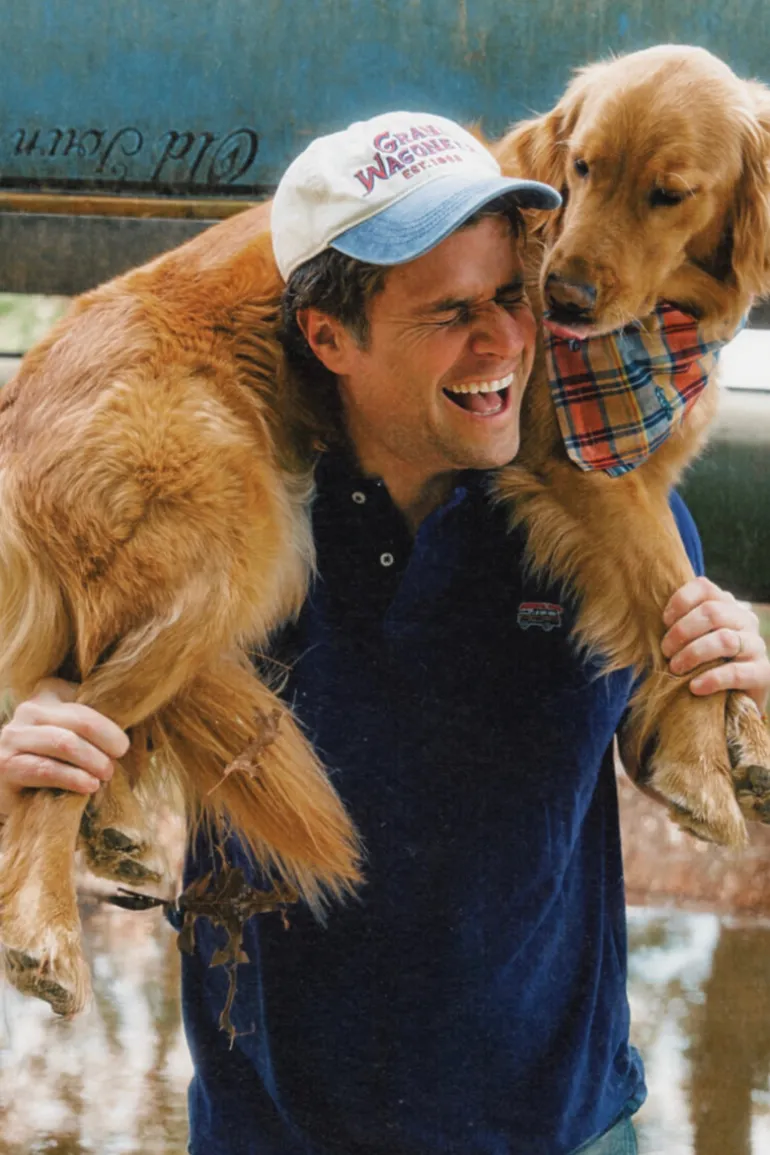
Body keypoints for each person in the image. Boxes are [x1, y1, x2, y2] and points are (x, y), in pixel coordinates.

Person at [1, 112, 768, 1155]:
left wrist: (727, 683)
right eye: (449, 312)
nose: (501, 341)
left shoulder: (598, 499)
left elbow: (671, 762)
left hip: (558, 1132)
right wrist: (27, 726)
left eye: (513, 296)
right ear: (330, 338)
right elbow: (62, 684)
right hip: (271, 1134)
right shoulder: (212, 518)